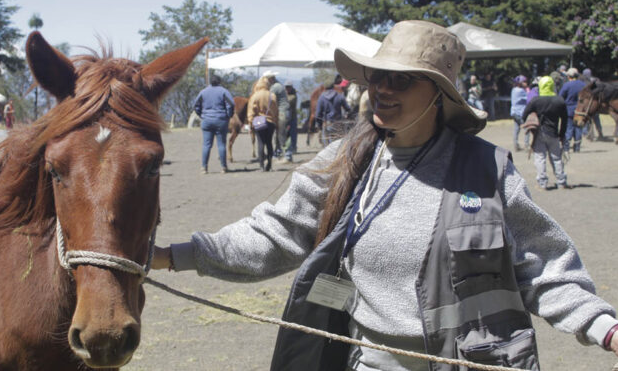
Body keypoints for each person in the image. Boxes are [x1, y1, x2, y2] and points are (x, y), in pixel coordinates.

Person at [152, 20, 618, 371]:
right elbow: (273, 233)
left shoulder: (486, 169)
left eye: (400, 79)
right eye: (376, 76)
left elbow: (544, 269)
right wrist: (172, 256)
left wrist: (606, 328)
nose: (380, 88)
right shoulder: (343, 160)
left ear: (439, 94)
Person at [522, 75, 570, 190]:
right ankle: (561, 182)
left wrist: (531, 126)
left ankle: (542, 183)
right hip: (553, 133)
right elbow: (565, 119)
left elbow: (524, 115)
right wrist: (561, 134)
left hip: (539, 133)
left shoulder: (535, 101)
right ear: (552, 86)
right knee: (557, 158)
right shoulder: (559, 101)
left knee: (540, 158)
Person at [193, 74, 235, 174]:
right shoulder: (224, 91)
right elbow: (231, 104)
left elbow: (195, 105)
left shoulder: (203, 92)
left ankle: (204, 167)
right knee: (221, 144)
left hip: (206, 120)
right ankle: (224, 167)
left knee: (206, 145)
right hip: (221, 120)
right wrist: (229, 115)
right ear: (219, 81)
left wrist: (201, 115)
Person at [247, 76, 278, 172]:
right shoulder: (272, 95)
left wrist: (251, 122)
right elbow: (276, 110)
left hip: (259, 121)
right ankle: (269, 165)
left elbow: (251, 110)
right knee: (269, 143)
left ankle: (261, 166)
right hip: (270, 122)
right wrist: (276, 122)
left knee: (260, 143)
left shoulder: (255, 96)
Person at [315, 76, 351, 146]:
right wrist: (347, 115)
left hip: (327, 123)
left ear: (324, 87)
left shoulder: (321, 98)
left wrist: (319, 125)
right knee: (337, 144)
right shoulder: (339, 96)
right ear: (333, 86)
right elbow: (348, 109)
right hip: (338, 123)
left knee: (327, 145)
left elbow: (318, 114)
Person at [559, 67, 586, 152]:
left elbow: (560, 97)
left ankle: (566, 147)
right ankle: (577, 147)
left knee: (569, 128)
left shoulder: (567, 85)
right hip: (580, 110)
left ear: (569, 76)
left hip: (568, 109)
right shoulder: (583, 85)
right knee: (578, 128)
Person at [510, 75, 530, 151]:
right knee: (527, 129)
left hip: (514, 112)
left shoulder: (513, 89)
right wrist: (527, 89)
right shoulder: (521, 91)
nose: (526, 83)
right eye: (524, 82)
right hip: (520, 113)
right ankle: (526, 145)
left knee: (516, 129)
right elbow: (529, 97)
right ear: (519, 83)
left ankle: (516, 145)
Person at [285, 80, 298, 158]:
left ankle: (293, 147)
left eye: (288, 87)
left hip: (292, 118)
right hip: (286, 118)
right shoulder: (288, 94)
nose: (287, 88)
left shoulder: (293, 96)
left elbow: (288, 102)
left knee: (293, 133)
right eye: (286, 87)